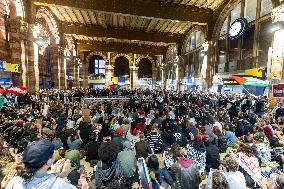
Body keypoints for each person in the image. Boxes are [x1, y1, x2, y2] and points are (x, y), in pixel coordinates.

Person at [4, 139, 90, 189]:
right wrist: (84, 182)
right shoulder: (59, 184)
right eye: (52, 153)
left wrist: (57, 175)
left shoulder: (15, 181)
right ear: (48, 161)